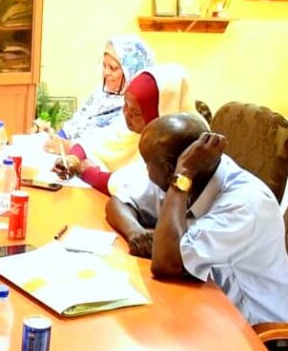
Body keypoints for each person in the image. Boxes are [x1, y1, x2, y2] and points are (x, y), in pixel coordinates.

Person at [105, 113, 288, 325]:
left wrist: (181, 178)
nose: (147, 172)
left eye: (148, 165)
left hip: (254, 329)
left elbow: (167, 263)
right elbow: (118, 203)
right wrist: (135, 232)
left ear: (169, 169)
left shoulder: (245, 204)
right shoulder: (193, 174)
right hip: (205, 303)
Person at [53, 63, 195, 195]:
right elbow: (94, 143)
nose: (126, 114)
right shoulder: (128, 128)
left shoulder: (177, 147)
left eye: (136, 112)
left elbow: (136, 190)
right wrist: (72, 159)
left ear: (161, 113)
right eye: (125, 104)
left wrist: (88, 173)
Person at [47, 35, 154, 151]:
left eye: (113, 68)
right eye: (104, 65)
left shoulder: (135, 109)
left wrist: (70, 148)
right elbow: (72, 127)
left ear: (132, 71)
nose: (106, 72)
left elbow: (111, 149)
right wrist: (55, 138)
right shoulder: (100, 95)